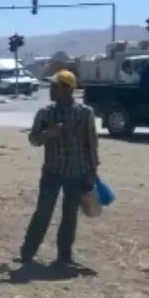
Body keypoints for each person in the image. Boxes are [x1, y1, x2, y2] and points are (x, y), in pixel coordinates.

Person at [19, 69, 99, 266]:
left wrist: (92, 170)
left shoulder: (85, 113)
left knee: (70, 215)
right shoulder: (46, 113)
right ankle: (27, 253)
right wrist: (49, 133)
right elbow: (33, 139)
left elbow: (91, 142)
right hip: (52, 171)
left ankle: (64, 256)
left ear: (68, 89)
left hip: (77, 172)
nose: (51, 90)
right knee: (43, 211)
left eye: (55, 87)